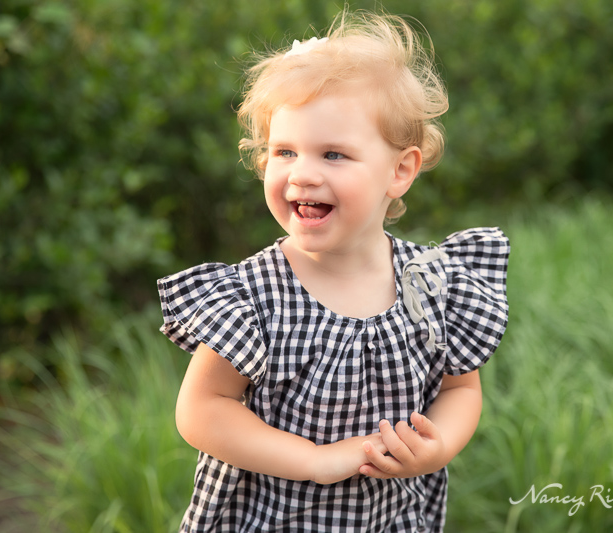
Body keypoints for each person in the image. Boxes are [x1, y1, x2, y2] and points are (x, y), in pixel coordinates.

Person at [158, 10, 509, 532]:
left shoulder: (429, 283)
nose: (303, 173)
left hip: (390, 517)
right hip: (271, 517)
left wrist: (438, 447)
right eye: (284, 151)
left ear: (400, 171)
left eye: (333, 154)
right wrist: (313, 460)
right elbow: (203, 409)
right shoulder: (257, 295)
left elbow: (460, 389)